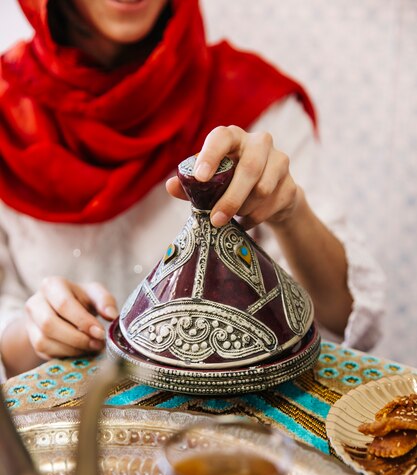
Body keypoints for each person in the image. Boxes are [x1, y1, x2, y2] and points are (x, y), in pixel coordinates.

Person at [0, 0, 384, 379]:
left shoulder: (252, 100)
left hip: (239, 434)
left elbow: (344, 321)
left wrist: (291, 213)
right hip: (70, 434)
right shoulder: (7, 116)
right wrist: (38, 331)